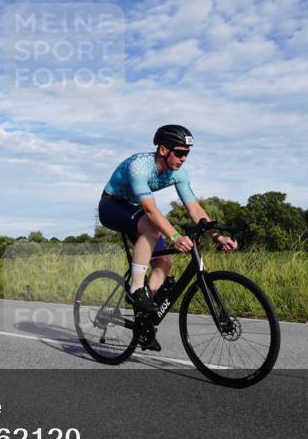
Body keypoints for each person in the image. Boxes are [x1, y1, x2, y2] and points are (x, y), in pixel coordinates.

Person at [98, 125, 238, 351]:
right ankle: (136, 290)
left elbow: (194, 209)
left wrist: (217, 236)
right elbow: (150, 210)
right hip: (111, 205)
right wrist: (174, 236)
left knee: (164, 262)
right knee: (153, 229)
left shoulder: (179, 174)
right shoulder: (139, 167)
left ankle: (144, 322)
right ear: (163, 149)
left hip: (135, 210)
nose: (184, 158)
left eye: (187, 154)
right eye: (180, 152)